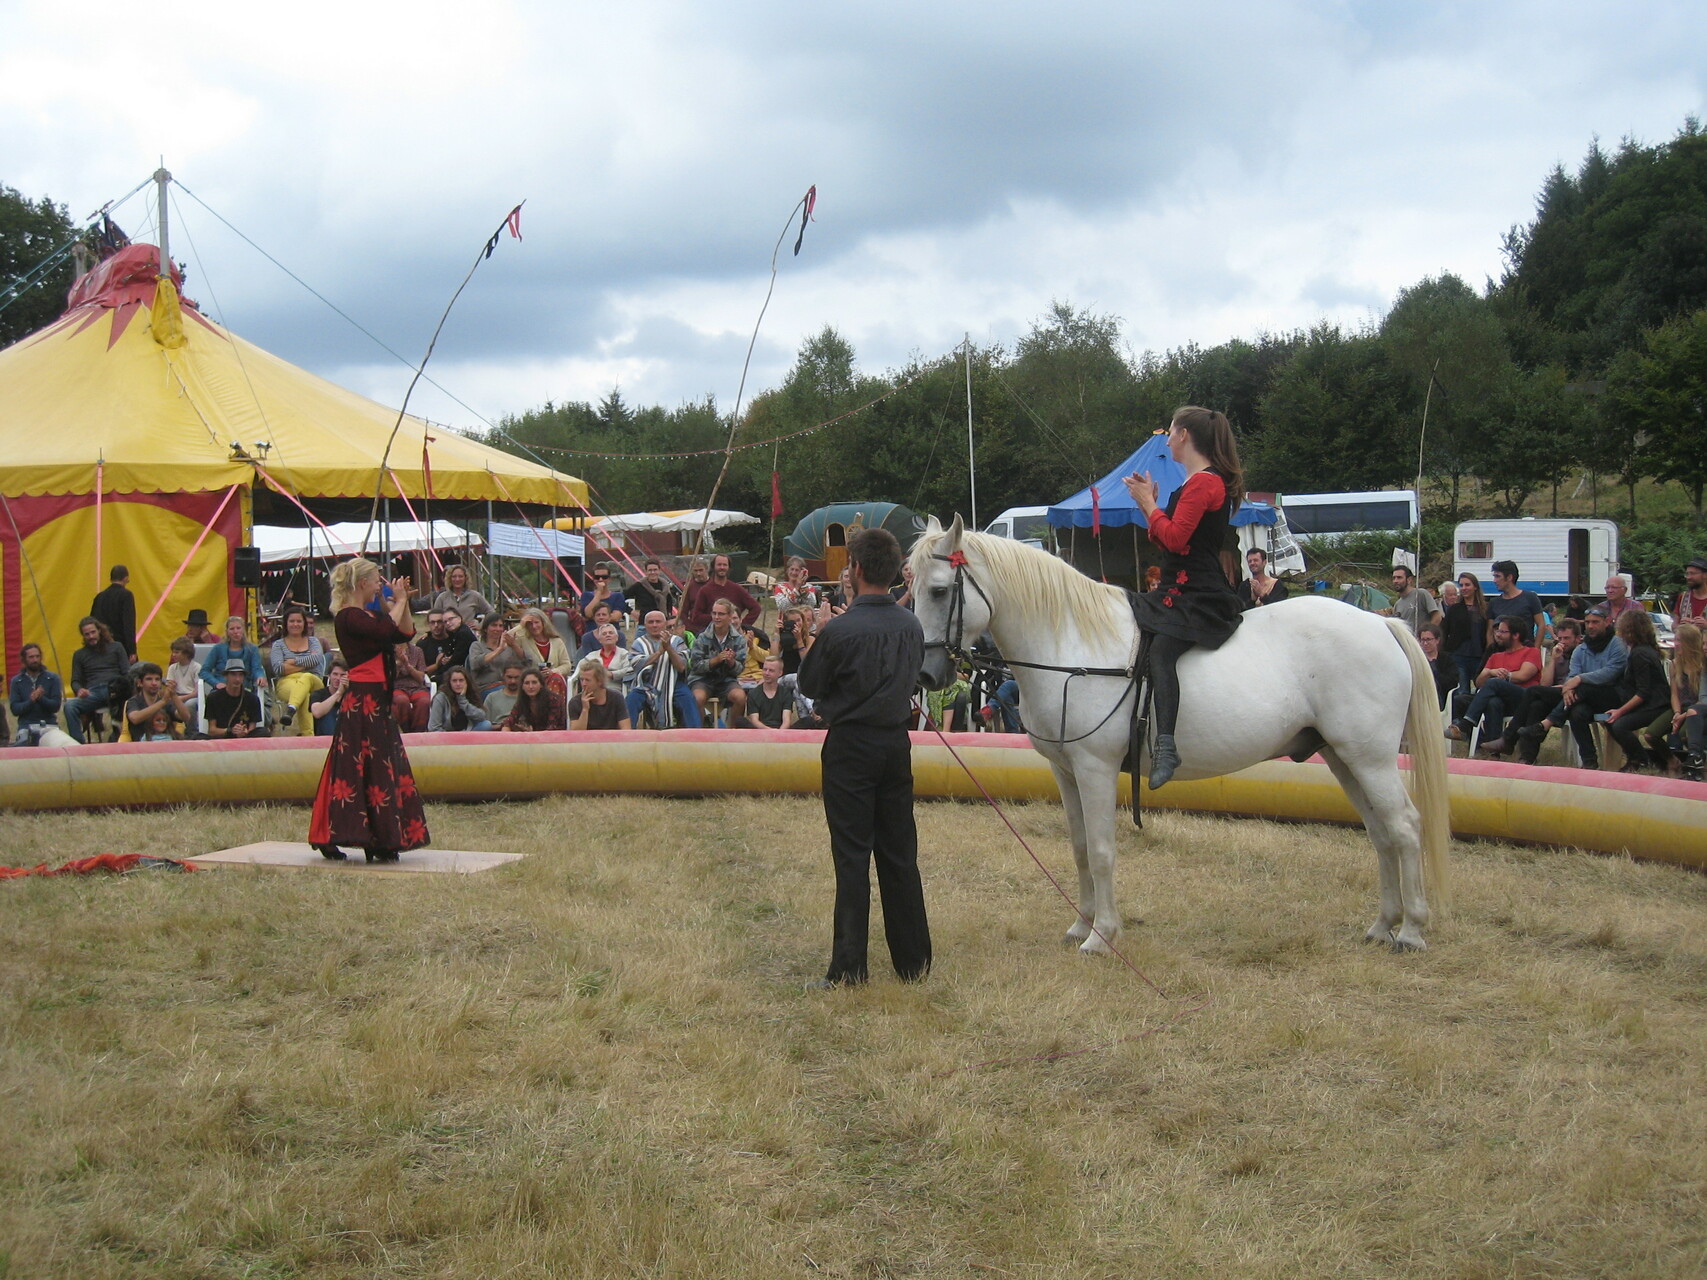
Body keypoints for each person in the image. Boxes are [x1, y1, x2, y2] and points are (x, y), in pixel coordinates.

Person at [797, 526, 930, 988]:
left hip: (851, 746)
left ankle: (850, 968)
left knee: (852, 856)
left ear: (854, 569)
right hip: (896, 743)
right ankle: (913, 961)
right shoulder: (910, 625)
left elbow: (810, 684)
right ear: (893, 571)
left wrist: (819, 634)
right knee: (900, 852)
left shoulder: (840, 629)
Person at [1121, 406, 1246, 790]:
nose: (1168, 440)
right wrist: (1151, 507)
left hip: (1198, 595)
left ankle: (1166, 746)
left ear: (1185, 435)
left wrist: (1149, 504)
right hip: (1179, 590)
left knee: (1162, 652)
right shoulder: (1196, 483)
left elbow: (1175, 539)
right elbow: (1167, 540)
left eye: (1171, 432)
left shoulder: (1204, 483)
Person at [308, 558, 430, 864]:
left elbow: (404, 633)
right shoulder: (347, 616)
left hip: (378, 700)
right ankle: (353, 836)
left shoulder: (370, 615)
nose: (379, 586)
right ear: (362, 583)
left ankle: (380, 838)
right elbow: (385, 630)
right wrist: (397, 602)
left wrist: (404, 603)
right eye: (376, 580)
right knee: (357, 765)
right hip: (363, 701)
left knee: (380, 765)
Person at [1516, 605, 1629, 769]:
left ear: (1607, 622)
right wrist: (1569, 687)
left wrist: (1577, 680)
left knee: (1544, 690)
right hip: (1583, 699)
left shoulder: (1617, 644)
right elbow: (1572, 674)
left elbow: (1610, 673)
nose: (1590, 626)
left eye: (1595, 622)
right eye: (1588, 622)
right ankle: (1589, 762)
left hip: (1612, 697)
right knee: (1574, 712)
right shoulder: (1582, 649)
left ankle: (1534, 728)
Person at [1492, 617, 1582, 758]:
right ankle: (1527, 758)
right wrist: (1554, 660)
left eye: (1567, 638)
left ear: (1577, 639)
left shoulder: (1582, 654)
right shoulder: (1558, 655)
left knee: (1533, 691)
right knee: (1536, 705)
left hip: (1574, 696)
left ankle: (1509, 738)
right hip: (1556, 696)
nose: (1562, 642)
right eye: (1560, 638)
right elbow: (1545, 684)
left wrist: (1566, 686)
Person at [1447, 617, 1541, 744]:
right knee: (1486, 701)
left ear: (1516, 635)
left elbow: (1523, 675)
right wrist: (1490, 672)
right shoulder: (1495, 656)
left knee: (1495, 683)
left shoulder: (1531, 652)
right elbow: (1479, 683)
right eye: (1497, 631)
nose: (1498, 635)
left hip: (1524, 699)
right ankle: (1488, 746)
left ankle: (1466, 724)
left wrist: (1506, 675)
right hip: (1500, 701)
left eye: (1503, 632)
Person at [1600, 608, 1668, 772]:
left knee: (1619, 725)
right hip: (1647, 704)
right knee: (1604, 717)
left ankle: (1640, 759)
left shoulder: (1640, 654)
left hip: (1655, 706)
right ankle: (1636, 755)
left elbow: (1643, 693)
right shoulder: (1642, 650)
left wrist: (1620, 711)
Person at [1642, 621, 1701, 772]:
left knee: (1685, 735)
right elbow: (1674, 693)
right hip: (1680, 708)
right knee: (1650, 735)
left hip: (1698, 709)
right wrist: (1676, 713)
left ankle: (1697, 763)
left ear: (1690, 643)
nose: (1676, 644)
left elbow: (1702, 698)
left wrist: (1684, 716)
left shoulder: (1702, 666)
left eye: (1679, 640)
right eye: (1675, 639)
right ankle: (1672, 760)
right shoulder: (1675, 664)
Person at [627, 610, 700, 729]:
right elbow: (638, 665)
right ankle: (625, 734)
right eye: (651, 622)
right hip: (646, 685)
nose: (654, 625)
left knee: (688, 699)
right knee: (631, 700)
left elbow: (681, 667)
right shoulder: (639, 643)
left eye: (658, 622)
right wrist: (659, 653)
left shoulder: (677, 641)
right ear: (645, 625)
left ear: (665, 624)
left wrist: (669, 648)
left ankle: (694, 735)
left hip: (674, 684)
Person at [65, 616, 132, 743]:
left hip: (115, 689)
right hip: (93, 693)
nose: (91, 636)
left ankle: (121, 736)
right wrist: (79, 690)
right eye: (87, 634)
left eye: (93, 632)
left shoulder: (117, 647)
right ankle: (77, 744)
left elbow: (127, 672)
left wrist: (120, 687)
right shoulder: (79, 654)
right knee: (69, 706)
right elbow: (75, 680)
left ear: (99, 631)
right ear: (83, 636)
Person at [267, 605, 328, 735]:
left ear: (304, 623)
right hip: (286, 683)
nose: (295, 624)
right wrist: (307, 664)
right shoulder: (278, 645)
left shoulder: (313, 641)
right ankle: (308, 736)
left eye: (299, 621)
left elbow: (316, 659)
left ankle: (291, 710)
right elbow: (278, 668)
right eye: (292, 621)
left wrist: (292, 662)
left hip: (314, 682)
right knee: (304, 694)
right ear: (285, 623)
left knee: (306, 677)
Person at [690, 599, 749, 724]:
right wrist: (715, 660)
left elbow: (740, 669)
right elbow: (695, 666)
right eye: (714, 613)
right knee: (697, 698)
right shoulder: (702, 637)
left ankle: (731, 730)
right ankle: (701, 729)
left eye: (721, 614)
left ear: (730, 616)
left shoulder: (739, 640)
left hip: (726, 680)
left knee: (740, 697)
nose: (716, 617)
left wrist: (732, 662)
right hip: (703, 679)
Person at [685, 555, 760, 630]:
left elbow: (756, 608)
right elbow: (696, 617)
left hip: (733, 634)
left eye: (725, 565)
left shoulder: (737, 589)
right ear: (713, 567)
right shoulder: (705, 590)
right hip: (711, 634)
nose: (722, 567)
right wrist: (719, 618)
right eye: (719, 564)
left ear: (729, 568)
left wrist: (742, 626)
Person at [1443, 572, 1488, 697]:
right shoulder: (1454, 609)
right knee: (1462, 692)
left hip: (1479, 655)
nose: (1464, 588)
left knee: (1482, 690)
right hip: (1459, 655)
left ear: (1475, 587)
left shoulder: (1485, 609)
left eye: (1467, 585)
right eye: (1461, 585)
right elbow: (1445, 631)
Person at [1485, 561, 1545, 652]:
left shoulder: (1530, 598)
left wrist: (1535, 650)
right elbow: (1490, 631)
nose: (1494, 581)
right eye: (1494, 576)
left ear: (1509, 577)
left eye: (1498, 576)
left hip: (1525, 652)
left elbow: (1541, 625)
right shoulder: (1494, 602)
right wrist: (1491, 652)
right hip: (1502, 653)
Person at [468, 616, 533, 701]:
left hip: (509, 685)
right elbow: (475, 664)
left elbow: (527, 662)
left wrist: (514, 645)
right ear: (485, 629)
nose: (498, 629)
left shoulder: (508, 648)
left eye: (500, 626)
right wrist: (499, 649)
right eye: (494, 625)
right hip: (486, 688)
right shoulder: (477, 646)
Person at [10, 643, 63, 745]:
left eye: (37, 656)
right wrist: (31, 701)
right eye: (31, 657)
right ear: (24, 659)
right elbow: (15, 709)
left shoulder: (53, 678)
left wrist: (40, 698)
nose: (35, 660)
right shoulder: (16, 681)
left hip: (49, 725)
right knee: (23, 745)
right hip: (26, 726)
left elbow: (55, 706)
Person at [200, 616, 265, 697]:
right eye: (232, 629)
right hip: (221, 690)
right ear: (227, 632)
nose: (235, 631)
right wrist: (216, 683)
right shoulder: (218, 648)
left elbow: (257, 668)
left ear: (243, 630)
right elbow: (204, 671)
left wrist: (260, 677)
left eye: (238, 628)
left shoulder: (252, 649)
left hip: (245, 690)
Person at [123, 663, 188, 741]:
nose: (154, 683)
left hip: (165, 744)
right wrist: (162, 702)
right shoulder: (133, 701)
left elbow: (185, 717)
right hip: (140, 745)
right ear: (140, 683)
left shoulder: (166, 702)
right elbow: (135, 718)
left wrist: (174, 695)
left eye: (157, 679)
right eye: (149, 679)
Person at [90, 564, 138, 664]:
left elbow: (92, 622)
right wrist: (132, 650)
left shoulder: (99, 596)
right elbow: (128, 624)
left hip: (101, 646)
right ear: (125, 578)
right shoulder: (126, 595)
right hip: (120, 647)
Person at [204, 659, 263, 739]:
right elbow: (212, 730)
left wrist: (244, 732)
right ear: (226, 676)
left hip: (246, 739)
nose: (237, 679)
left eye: (240, 675)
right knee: (198, 737)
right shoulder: (213, 698)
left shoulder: (253, 699)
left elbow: (252, 728)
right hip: (221, 739)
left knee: (263, 732)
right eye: (233, 675)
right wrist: (231, 731)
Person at [568, 658, 630, 730]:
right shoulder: (575, 702)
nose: (583, 684)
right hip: (587, 737)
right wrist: (585, 709)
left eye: (587, 680)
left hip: (611, 736)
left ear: (599, 681)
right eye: (582, 680)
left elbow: (626, 729)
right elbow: (576, 733)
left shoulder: (616, 698)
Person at [427, 665, 492, 732]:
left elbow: (482, 716)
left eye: (461, 680)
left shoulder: (471, 694)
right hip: (447, 735)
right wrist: (453, 736)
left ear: (466, 682)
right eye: (454, 681)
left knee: (486, 725)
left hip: (467, 733)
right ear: (449, 682)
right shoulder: (440, 698)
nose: (458, 684)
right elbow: (433, 727)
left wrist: (463, 701)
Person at [427, 564, 496, 627]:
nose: (457, 579)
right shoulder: (442, 598)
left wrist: (480, 624)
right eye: (454, 576)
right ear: (449, 578)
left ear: (466, 578)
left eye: (460, 576)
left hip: (468, 634)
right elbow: (434, 617)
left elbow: (491, 613)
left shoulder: (475, 596)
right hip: (448, 635)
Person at [1387, 565, 1441, 636]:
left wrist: (1426, 636)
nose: (1396, 581)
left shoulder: (1421, 594)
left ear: (1409, 580)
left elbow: (1437, 617)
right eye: (1394, 578)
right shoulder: (1397, 604)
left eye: (1399, 577)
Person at [391, 640, 433, 732]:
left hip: (416, 687)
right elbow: (389, 677)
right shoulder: (388, 652)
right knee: (401, 701)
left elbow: (421, 678)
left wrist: (407, 665)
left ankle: (418, 731)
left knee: (424, 701)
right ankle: (407, 730)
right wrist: (398, 664)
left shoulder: (417, 651)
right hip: (397, 687)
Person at [745, 656, 795, 729]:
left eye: (771, 670)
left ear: (780, 673)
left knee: (807, 721)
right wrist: (771, 732)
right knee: (740, 720)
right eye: (765, 669)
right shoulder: (753, 694)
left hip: (781, 730)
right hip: (760, 730)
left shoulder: (785, 693)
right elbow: (755, 721)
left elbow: (786, 721)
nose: (767, 673)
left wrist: (779, 733)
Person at [1416, 624, 1456, 710]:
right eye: (1422, 640)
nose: (1425, 643)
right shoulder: (1417, 659)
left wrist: (1434, 674)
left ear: (1437, 640)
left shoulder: (1447, 659)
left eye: (1428, 639)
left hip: (1441, 695)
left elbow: (1452, 682)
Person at [165, 637, 202, 726]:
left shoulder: (196, 667)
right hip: (176, 696)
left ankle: (191, 730)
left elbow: (196, 693)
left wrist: (181, 698)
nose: (173, 655)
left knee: (190, 704)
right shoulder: (172, 668)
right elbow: (170, 688)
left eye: (176, 652)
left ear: (186, 653)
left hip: (192, 697)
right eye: (173, 652)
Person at [483, 661, 527, 727]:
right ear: (503, 676)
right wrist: (503, 726)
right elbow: (485, 725)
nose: (513, 681)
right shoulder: (492, 697)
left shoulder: (528, 697)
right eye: (509, 677)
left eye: (516, 677)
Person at [311, 660, 348, 736]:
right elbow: (317, 712)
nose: (338, 678)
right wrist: (338, 693)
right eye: (335, 674)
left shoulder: (351, 694)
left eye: (342, 675)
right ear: (329, 676)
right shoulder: (319, 694)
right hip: (323, 737)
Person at [777, 605, 816, 676]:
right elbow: (773, 656)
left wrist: (799, 639)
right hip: (784, 675)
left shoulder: (810, 638)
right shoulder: (783, 638)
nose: (796, 624)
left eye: (798, 620)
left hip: (801, 675)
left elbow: (806, 661)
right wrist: (776, 634)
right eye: (793, 622)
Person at [1675, 557, 1707, 627]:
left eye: (1693, 573)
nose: (1688, 577)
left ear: (1705, 575)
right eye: (1687, 574)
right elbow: (1674, 625)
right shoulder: (1683, 597)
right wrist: (1681, 626)